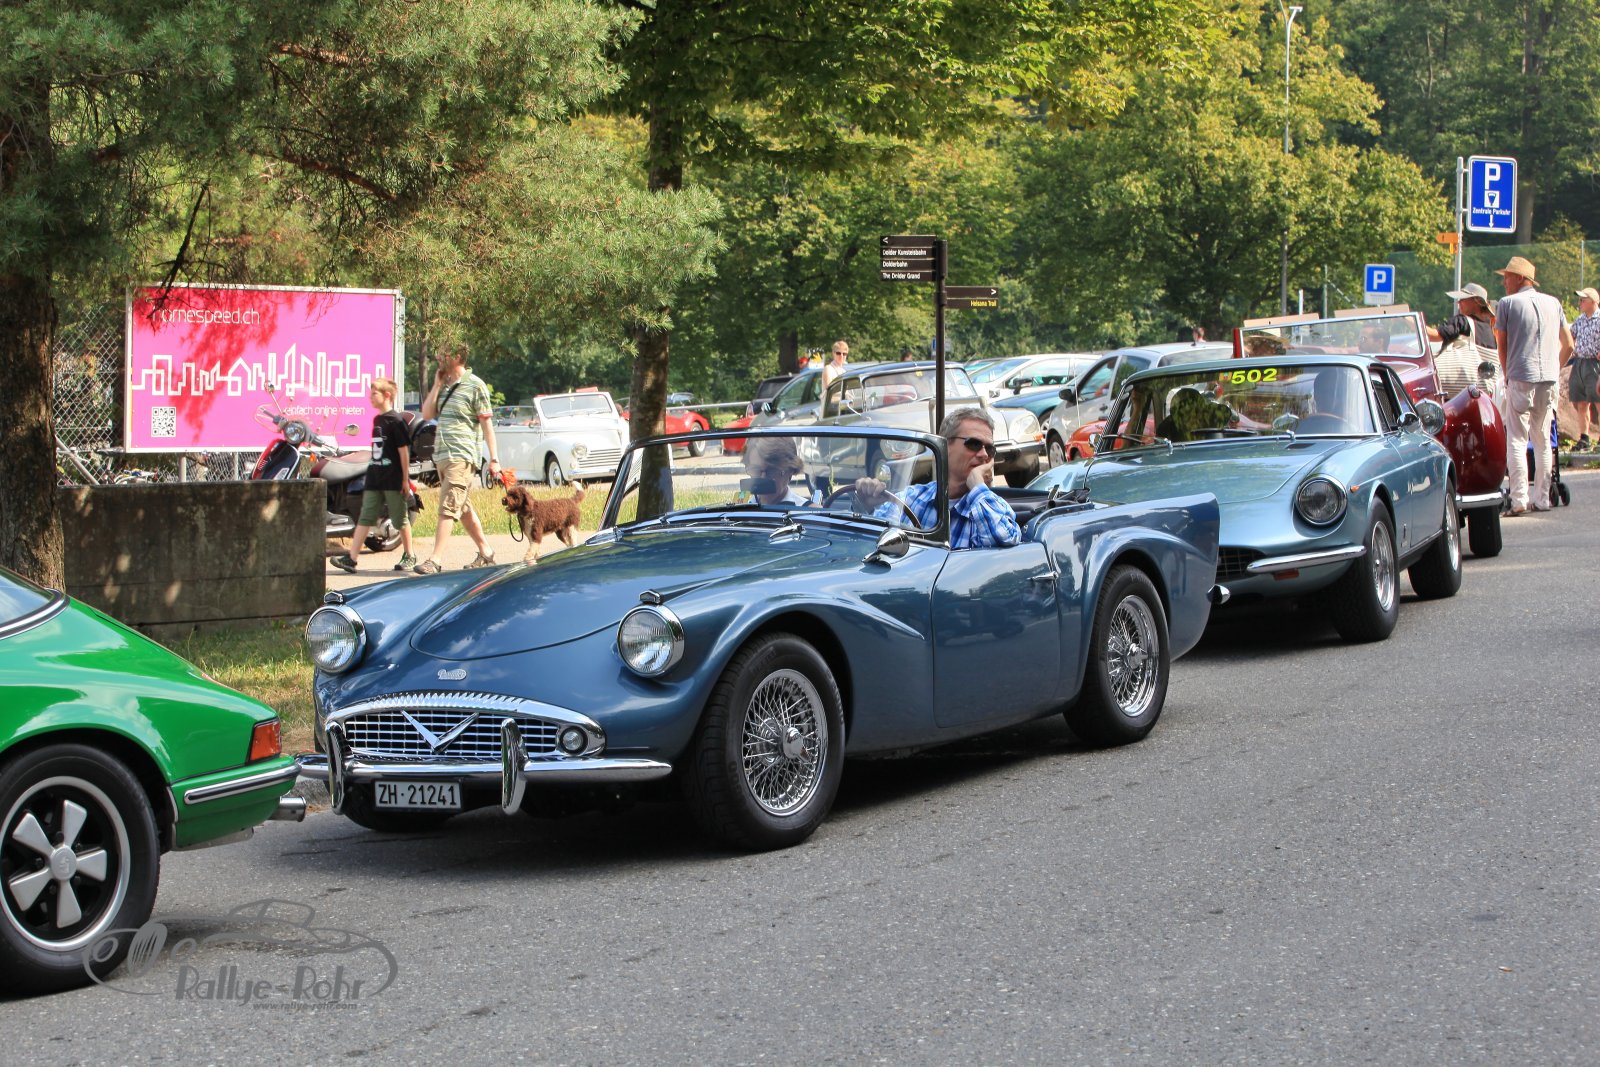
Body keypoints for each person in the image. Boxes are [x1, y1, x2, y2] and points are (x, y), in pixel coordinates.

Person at [852, 407, 1020, 549]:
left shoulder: (994, 507)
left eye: (989, 449)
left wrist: (977, 487)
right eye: (974, 444)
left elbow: (1004, 542)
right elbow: (872, 538)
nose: (984, 454)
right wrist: (866, 505)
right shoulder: (912, 497)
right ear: (944, 446)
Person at [1494, 256, 1574, 515]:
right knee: (1542, 440)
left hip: (1520, 376)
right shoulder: (1554, 303)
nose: (1504, 282)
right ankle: (1542, 499)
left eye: (1507, 277)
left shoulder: (1507, 304)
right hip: (1548, 379)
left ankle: (1519, 499)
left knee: (1517, 439)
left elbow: (1502, 344)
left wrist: (1507, 374)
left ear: (1520, 278)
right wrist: (1555, 368)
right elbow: (1569, 344)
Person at [414, 343, 502, 573]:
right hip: (442, 456)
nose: (437, 356)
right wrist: (436, 384)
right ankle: (486, 551)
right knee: (462, 508)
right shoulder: (444, 385)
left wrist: (494, 459)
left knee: (448, 505)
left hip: (462, 456)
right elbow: (427, 414)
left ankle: (435, 560)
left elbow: (487, 425)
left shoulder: (475, 385)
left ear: (456, 356)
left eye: (442, 353)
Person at [331, 378, 416, 573]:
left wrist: (405, 479)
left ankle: (410, 554)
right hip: (374, 478)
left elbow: (403, 452)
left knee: (399, 519)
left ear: (387, 395)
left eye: (374, 394)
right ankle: (351, 558)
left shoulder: (396, 421)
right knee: (365, 516)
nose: (370, 397)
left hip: (392, 478)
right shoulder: (377, 420)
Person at [1426, 282, 1499, 396]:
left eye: (1463, 299)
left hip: (1456, 395)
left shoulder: (1463, 321)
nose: (1458, 302)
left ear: (1476, 301)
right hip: (1482, 394)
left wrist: (1411, 321)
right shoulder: (1493, 329)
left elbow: (1435, 335)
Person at [1567, 287, 1600, 451]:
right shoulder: (1580, 320)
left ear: (1593, 301)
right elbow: (1570, 336)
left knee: (1598, 401)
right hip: (1579, 362)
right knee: (1580, 401)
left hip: (1595, 363)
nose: (1580, 303)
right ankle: (1584, 437)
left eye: (1583, 300)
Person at [741, 436, 809, 505]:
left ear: (790, 470)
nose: (763, 478)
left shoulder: (807, 510)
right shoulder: (740, 505)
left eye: (772, 470)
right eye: (756, 470)